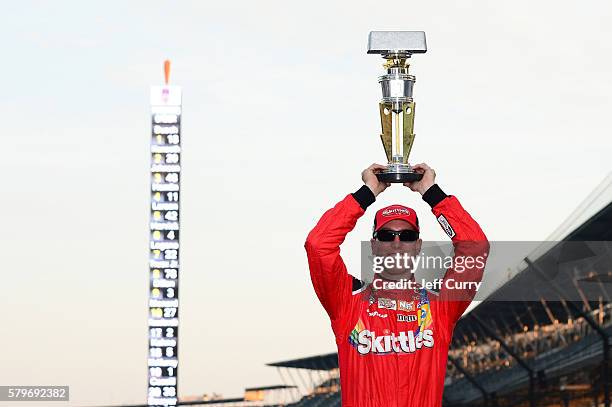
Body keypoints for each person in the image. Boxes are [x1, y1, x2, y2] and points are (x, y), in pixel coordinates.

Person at [305, 163, 489, 407]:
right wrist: (367, 193)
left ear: (418, 245)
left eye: (407, 235)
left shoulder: (441, 305)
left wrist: (431, 192)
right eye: (386, 235)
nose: (397, 243)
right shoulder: (347, 301)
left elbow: (475, 246)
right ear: (373, 245)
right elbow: (318, 245)